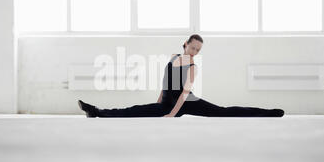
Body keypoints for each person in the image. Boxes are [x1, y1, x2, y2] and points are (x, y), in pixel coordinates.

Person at [78, 34, 284, 118]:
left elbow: (185, 94)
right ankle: (95, 111)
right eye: (193, 47)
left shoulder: (193, 67)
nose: (195, 51)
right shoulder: (173, 57)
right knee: (134, 110)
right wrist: (160, 102)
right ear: (185, 44)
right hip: (167, 102)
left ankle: (268, 113)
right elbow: (165, 82)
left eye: (198, 50)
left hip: (185, 102)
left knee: (222, 112)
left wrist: (171, 114)